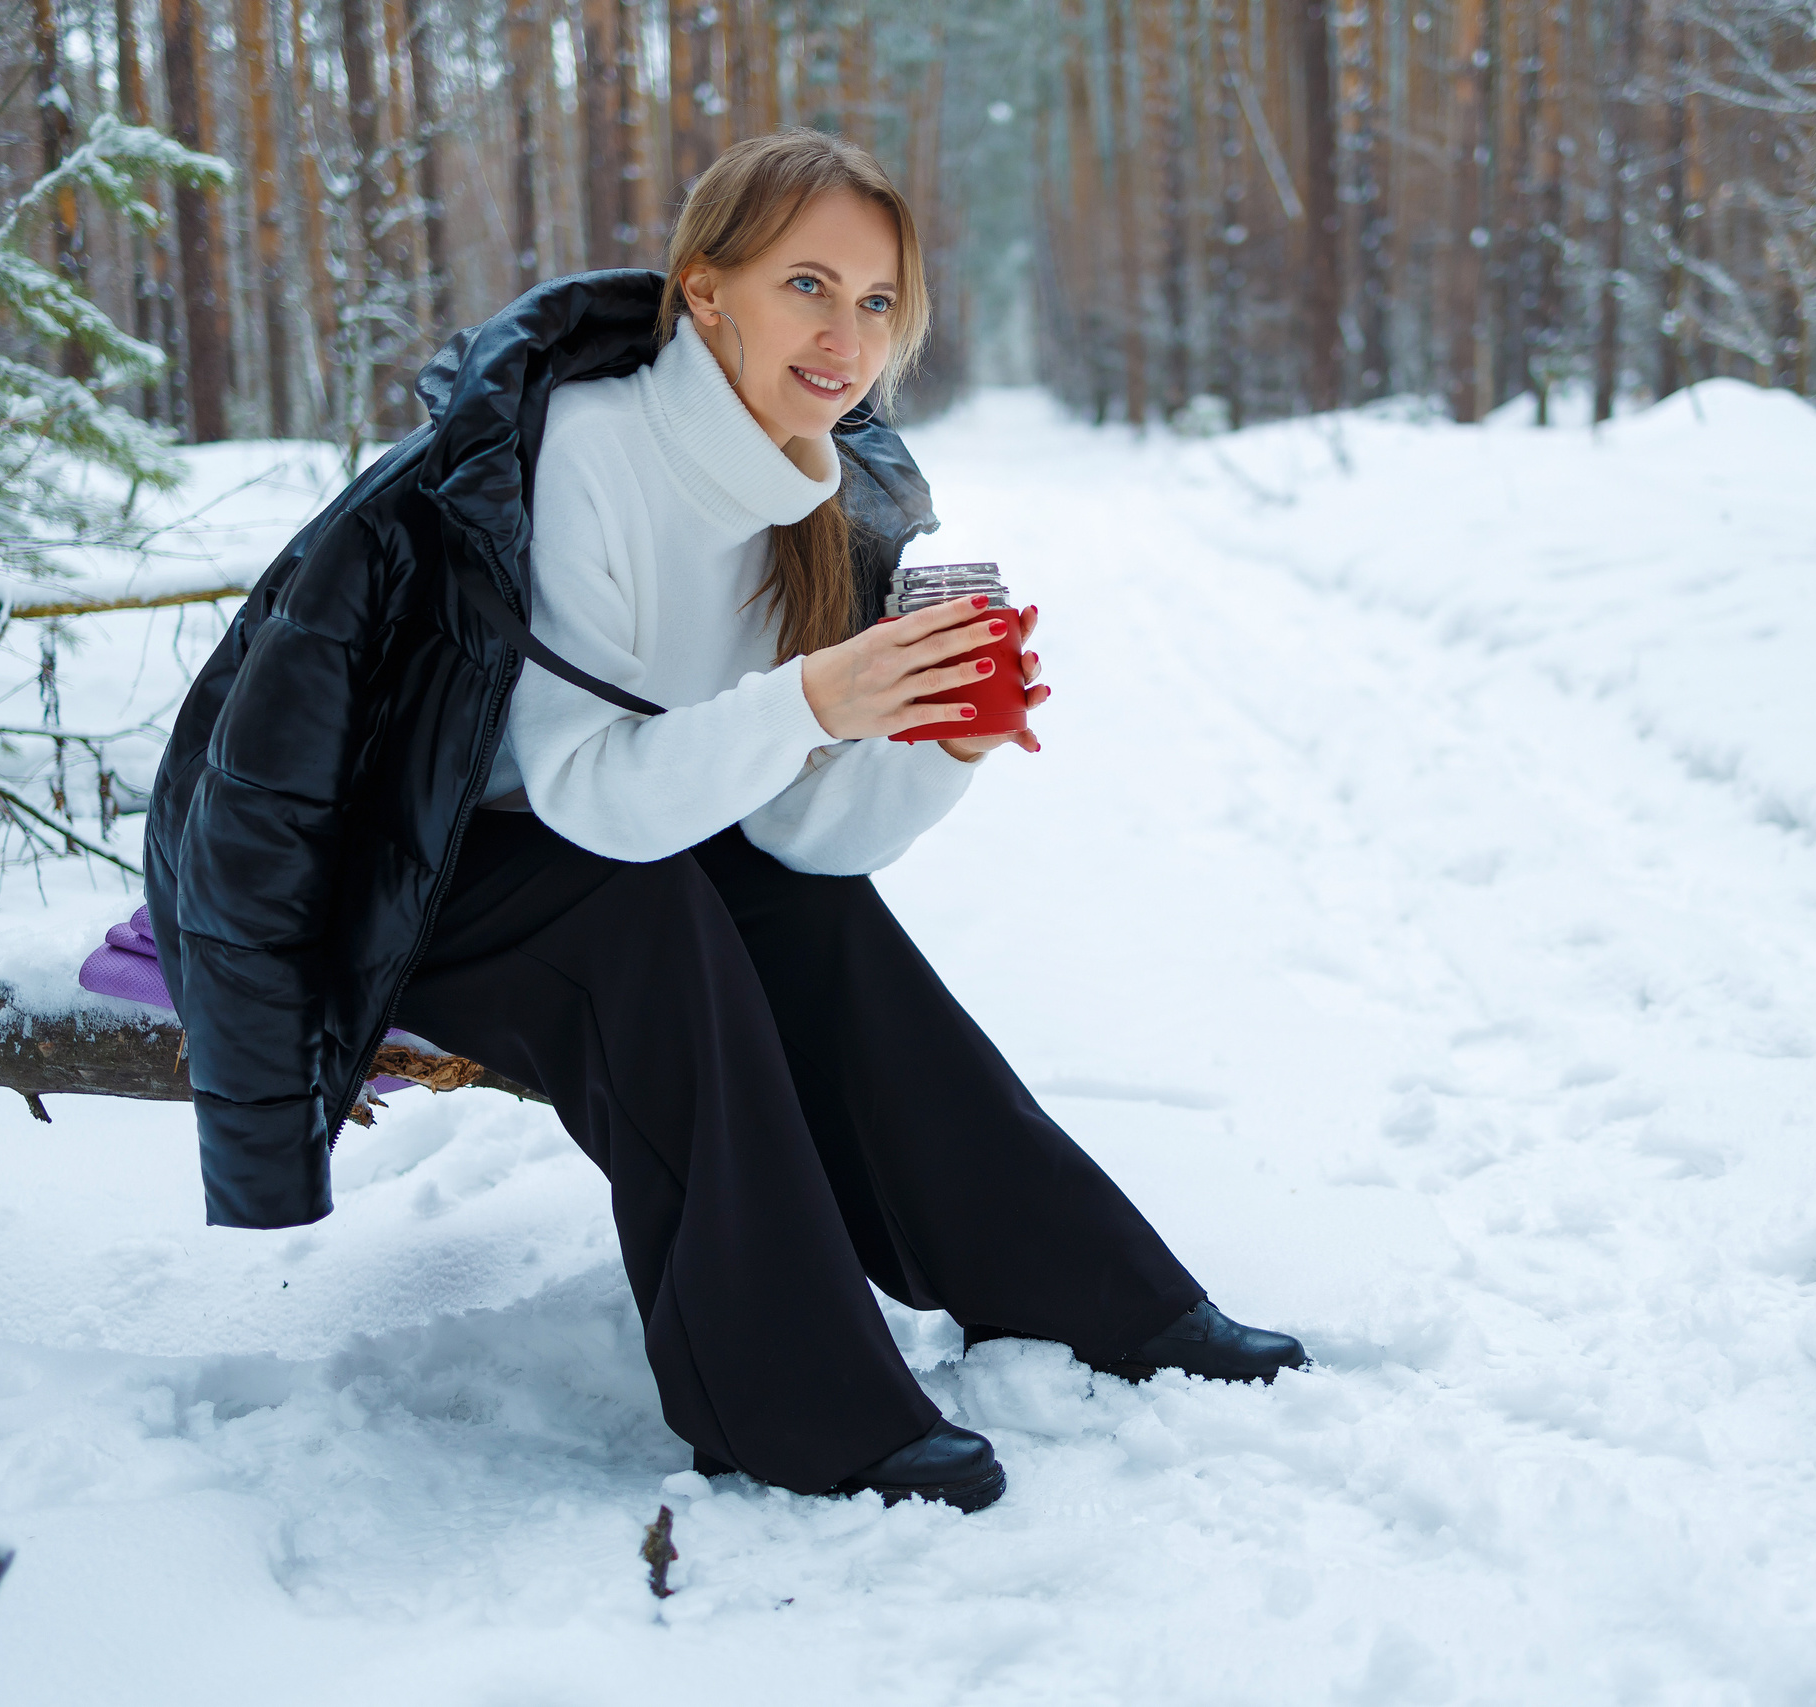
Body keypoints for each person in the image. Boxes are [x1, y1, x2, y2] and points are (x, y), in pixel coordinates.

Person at [144, 130, 1303, 1517]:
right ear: (707, 294)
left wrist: (941, 747)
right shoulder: (585, 453)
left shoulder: (820, 492)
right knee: (639, 924)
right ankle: (792, 1409)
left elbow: (801, 836)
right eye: (806, 285)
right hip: (417, 868)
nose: (845, 335)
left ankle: (1075, 1293)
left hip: (610, 844)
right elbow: (580, 789)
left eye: (877, 302)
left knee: (807, 915)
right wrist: (811, 699)